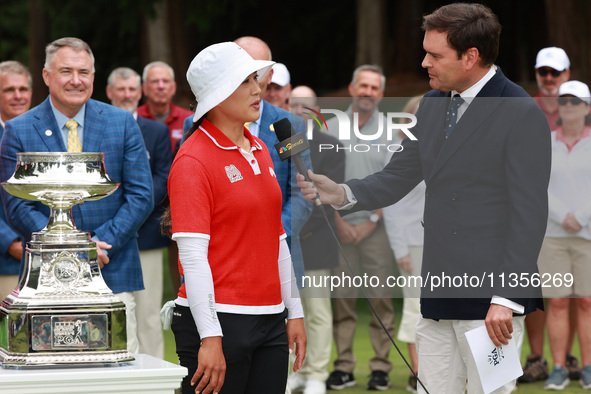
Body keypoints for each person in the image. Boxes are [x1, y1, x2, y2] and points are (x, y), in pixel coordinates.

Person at [298, 3, 551, 393]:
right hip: (437, 288)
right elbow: (397, 175)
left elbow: (529, 214)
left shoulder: (520, 111)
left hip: (492, 301)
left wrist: (506, 297)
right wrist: (344, 192)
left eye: (435, 55)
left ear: (471, 57)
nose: (423, 62)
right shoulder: (433, 105)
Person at [163, 42, 306, 394]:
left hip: (271, 318)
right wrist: (210, 336)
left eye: (255, 79)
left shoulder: (260, 147)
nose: (259, 89)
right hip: (218, 320)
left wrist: (295, 311)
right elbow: (192, 259)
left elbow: (277, 239)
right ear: (217, 93)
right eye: (246, 82)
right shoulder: (192, 160)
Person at [0, 37, 153, 355]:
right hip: (45, 279)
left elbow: (141, 195)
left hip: (113, 267)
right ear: (46, 76)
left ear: (93, 77)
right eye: (66, 71)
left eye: (83, 72)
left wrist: (97, 245)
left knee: (118, 370)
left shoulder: (122, 124)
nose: (75, 80)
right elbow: (16, 204)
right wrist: (71, 249)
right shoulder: (18, 130)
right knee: (51, 369)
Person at [323, 64, 396, 391]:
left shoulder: (391, 130)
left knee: (381, 300)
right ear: (352, 89)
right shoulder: (332, 127)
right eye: (362, 86)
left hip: (375, 227)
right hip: (338, 227)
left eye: (373, 87)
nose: (367, 92)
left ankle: (380, 368)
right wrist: (338, 220)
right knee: (343, 300)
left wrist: (371, 220)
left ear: (380, 93)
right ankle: (344, 367)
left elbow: (396, 181)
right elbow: (324, 177)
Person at [520, 46, 581, 385]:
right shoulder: (525, 109)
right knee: (537, 290)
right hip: (532, 213)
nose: (547, 78)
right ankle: (535, 357)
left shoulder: (580, 112)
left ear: (566, 75)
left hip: (575, 217)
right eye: (542, 71)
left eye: (554, 73)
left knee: (571, 291)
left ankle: (567, 355)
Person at [106, 67, 172, 359]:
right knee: (111, 315)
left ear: (140, 92)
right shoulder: (96, 129)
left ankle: (154, 383)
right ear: (109, 93)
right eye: (121, 90)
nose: (127, 95)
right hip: (105, 237)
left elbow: (163, 178)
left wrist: (134, 209)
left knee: (147, 315)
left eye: (132, 90)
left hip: (145, 236)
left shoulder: (156, 131)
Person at [288, 85, 344, 394]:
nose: (299, 111)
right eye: (294, 105)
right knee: (291, 312)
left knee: (319, 312)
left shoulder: (332, 146)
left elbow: (328, 198)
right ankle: (296, 370)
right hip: (288, 241)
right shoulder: (280, 144)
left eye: (305, 106)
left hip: (319, 239)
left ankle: (317, 375)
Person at [538, 80, 591, 390]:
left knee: (585, 301)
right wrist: (563, 216)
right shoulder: (545, 142)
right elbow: (537, 185)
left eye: (576, 102)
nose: (569, 107)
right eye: (565, 101)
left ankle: (587, 367)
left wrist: (581, 217)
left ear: (587, 108)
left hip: (588, 234)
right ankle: (558, 367)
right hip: (554, 234)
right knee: (557, 302)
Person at [137, 60, 192, 295]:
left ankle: (182, 296)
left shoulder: (189, 119)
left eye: (165, 81)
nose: (160, 86)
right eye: (154, 82)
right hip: (151, 202)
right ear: (145, 88)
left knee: (183, 255)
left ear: (173, 87)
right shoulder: (133, 119)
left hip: (184, 200)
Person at [382, 95, 423, 394]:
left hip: (441, 245)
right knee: (414, 309)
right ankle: (418, 373)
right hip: (412, 245)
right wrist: (400, 250)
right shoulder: (397, 151)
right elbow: (390, 207)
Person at [0, 60, 32, 300]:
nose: (18, 96)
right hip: (6, 259)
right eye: (9, 90)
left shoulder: (43, 133)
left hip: (46, 258)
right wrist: (8, 242)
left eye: (23, 89)